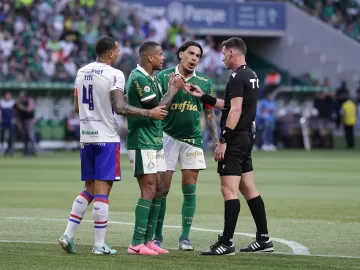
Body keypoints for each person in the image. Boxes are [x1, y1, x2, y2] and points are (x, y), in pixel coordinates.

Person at [58, 37, 168, 255]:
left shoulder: (81, 72)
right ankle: (99, 245)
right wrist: (148, 112)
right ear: (110, 53)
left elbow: (76, 107)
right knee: (103, 189)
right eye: (117, 51)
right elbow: (118, 107)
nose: (118, 55)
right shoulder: (115, 74)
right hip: (106, 137)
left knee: (90, 187)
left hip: (86, 136)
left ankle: (68, 235)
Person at [185, 37, 273, 255]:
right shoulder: (250, 74)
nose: (222, 58)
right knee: (248, 188)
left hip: (234, 139)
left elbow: (234, 111)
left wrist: (223, 140)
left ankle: (226, 242)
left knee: (228, 190)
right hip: (246, 137)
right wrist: (204, 96)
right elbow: (232, 106)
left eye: (224, 54)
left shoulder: (236, 77)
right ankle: (264, 239)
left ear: (232, 53)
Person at [153, 41, 219, 251]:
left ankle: (184, 237)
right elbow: (159, 107)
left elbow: (209, 113)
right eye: (190, 53)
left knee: (190, 188)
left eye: (198, 56)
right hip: (167, 137)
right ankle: (157, 236)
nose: (194, 58)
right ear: (180, 54)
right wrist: (174, 89)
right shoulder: (164, 77)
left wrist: (217, 141)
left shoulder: (204, 82)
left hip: (192, 140)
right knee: (162, 188)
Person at [126, 41, 186, 256]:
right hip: (141, 141)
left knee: (159, 188)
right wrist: (174, 89)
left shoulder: (151, 78)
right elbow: (156, 107)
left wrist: (170, 89)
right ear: (150, 57)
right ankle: (135, 243)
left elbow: (162, 107)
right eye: (160, 55)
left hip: (155, 140)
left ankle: (148, 240)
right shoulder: (138, 77)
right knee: (149, 189)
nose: (163, 58)